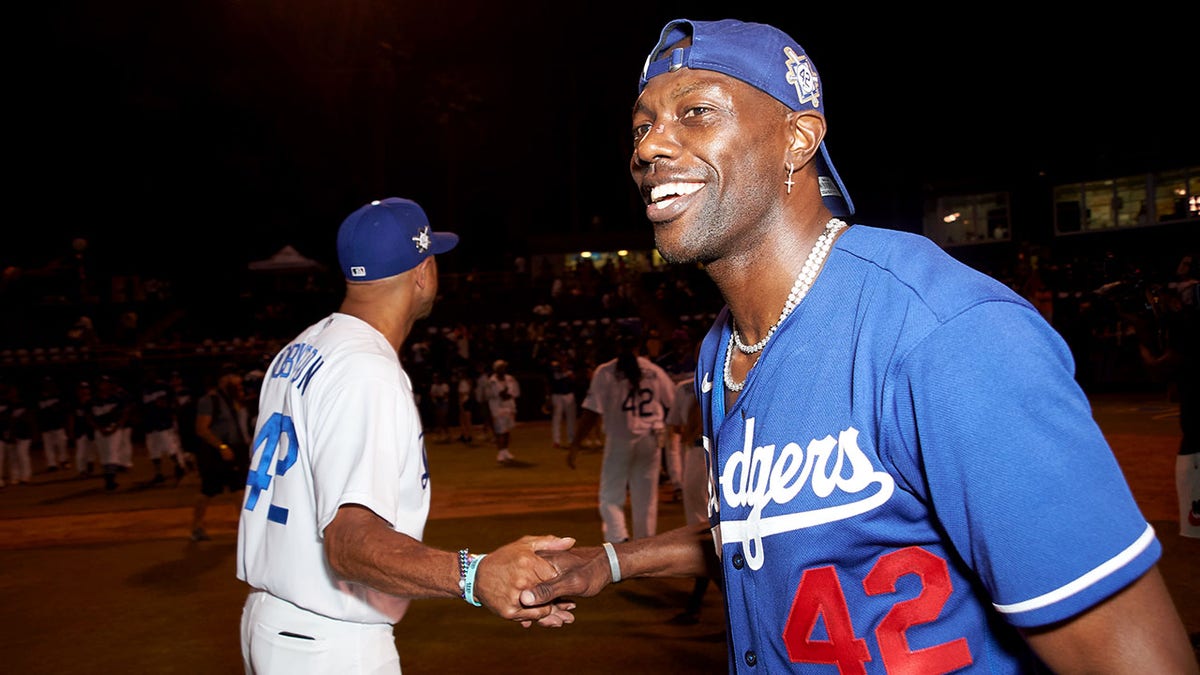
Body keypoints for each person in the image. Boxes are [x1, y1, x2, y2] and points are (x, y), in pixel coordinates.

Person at [523, 18, 1200, 673]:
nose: (647, 148)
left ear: (798, 138)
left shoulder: (947, 333)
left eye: (695, 111)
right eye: (642, 125)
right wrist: (614, 561)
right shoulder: (717, 350)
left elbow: (1134, 658)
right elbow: (769, 536)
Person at [236, 197, 575, 675]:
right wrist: (473, 575)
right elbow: (350, 543)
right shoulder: (365, 367)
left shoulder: (305, 345)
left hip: (276, 621)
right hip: (329, 642)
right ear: (422, 272)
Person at [568, 333, 676, 543]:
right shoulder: (654, 370)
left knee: (610, 495)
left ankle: (618, 539)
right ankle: (645, 545)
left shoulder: (606, 371)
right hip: (651, 437)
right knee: (646, 498)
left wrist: (575, 444)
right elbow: (672, 400)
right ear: (640, 343)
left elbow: (591, 411)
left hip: (620, 438)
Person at [662, 371, 710, 625]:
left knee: (703, 533)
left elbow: (683, 427)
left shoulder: (691, 386)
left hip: (700, 457)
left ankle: (697, 605)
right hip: (732, 456)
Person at [191, 363, 250, 542]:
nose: (239, 381)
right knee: (208, 490)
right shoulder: (210, 400)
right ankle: (196, 527)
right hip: (217, 451)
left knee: (239, 488)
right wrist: (222, 447)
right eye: (235, 377)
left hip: (237, 450)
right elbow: (201, 429)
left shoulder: (235, 399)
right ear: (224, 379)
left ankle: (245, 529)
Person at [140, 369, 187, 485]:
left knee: (170, 447)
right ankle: (158, 473)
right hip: (150, 424)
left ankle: (178, 467)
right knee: (154, 451)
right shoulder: (144, 389)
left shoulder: (164, 387)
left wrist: (170, 409)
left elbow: (174, 401)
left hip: (164, 422)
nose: (149, 376)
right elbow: (141, 407)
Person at [485, 358, 521, 464]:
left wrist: (507, 394)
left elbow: (515, 393)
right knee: (500, 431)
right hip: (498, 409)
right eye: (502, 367)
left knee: (507, 431)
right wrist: (506, 393)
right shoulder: (492, 381)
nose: (504, 369)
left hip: (509, 408)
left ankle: (505, 451)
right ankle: (500, 452)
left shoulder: (510, 378)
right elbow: (501, 395)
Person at [36, 376, 71, 472]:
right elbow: (38, 413)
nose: (48, 385)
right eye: (46, 383)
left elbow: (64, 409)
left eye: (50, 383)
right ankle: (52, 464)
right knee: (48, 445)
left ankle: (64, 460)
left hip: (58, 424)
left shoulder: (58, 395)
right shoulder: (40, 397)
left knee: (62, 442)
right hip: (46, 426)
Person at [547, 356, 577, 450]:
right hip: (557, 395)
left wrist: (568, 373)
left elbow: (574, 379)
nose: (563, 360)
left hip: (569, 394)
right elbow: (552, 380)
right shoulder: (554, 367)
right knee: (557, 418)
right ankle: (556, 441)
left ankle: (571, 440)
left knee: (571, 419)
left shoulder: (571, 367)